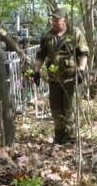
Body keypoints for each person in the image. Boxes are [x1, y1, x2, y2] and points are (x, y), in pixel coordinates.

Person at [34, 8, 89, 145]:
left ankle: (70, 137)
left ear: (65, 20)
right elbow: (40, 55)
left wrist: (81, 70)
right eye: (53, 19)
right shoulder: (47, 36)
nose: (54, 22)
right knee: (56, 109)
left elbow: (84, 53)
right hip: (54, 79)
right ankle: (59, 136)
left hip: (71, 79)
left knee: (70, 108)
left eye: (57, 20)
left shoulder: (75, 34)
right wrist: (36, 71)